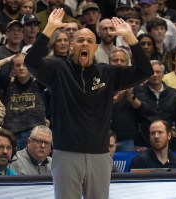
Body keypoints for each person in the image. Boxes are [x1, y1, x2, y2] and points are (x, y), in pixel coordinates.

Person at [24, 8, 153, 198]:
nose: (85, 43)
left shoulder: (108, 73)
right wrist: (49, 28)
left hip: (99, 155)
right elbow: (31, 62)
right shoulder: (58, 70)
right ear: (71, 46)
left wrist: (130, 38)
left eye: (90, 41)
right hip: (66, 153)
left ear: (95, 48)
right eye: (80, 40)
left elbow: (145, 71)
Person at [0, 53, 47, 150]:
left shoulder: (39, 83)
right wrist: (9, 59)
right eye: (18, 65)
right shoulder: (8, 83)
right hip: (12, 135)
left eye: (25, 64)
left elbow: (50, 70)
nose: (21, 68)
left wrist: (33, 59)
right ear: (13, 69)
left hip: (34, 135)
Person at [134, 60, 176, 155]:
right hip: (142, 145)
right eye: (151, 72)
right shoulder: (138, 91)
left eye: (158, 72)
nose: (155, 75)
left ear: (163, 74)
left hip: (166, 145)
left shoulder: (174, 94)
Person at [110, 48, 136, 151]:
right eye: (115, 60)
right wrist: (113, 100)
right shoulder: (101, 81)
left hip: (127, 139)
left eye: (122, 60)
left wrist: (131, 97)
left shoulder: (135, 82)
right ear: (109, 62)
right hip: (104, 137)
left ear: (127, 63)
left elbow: (144, 110)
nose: (119, 63)